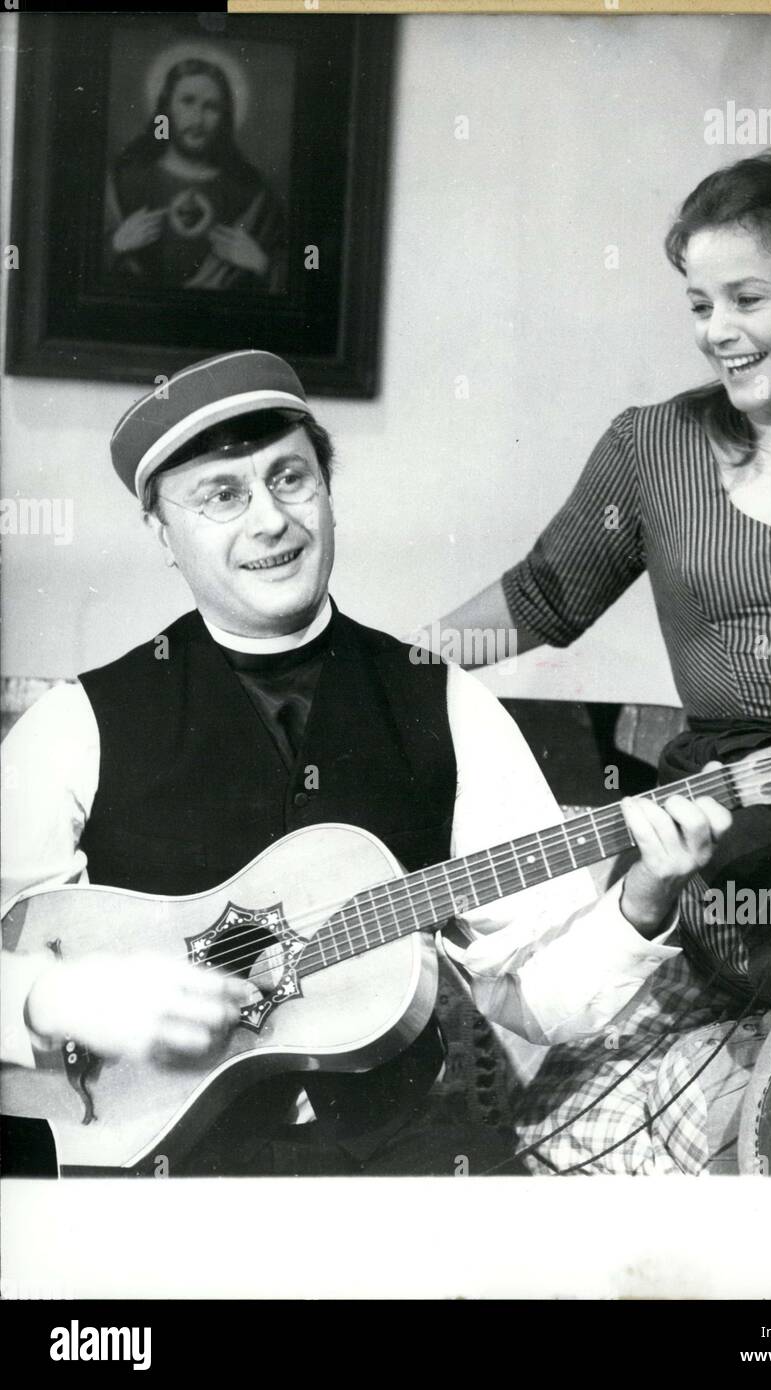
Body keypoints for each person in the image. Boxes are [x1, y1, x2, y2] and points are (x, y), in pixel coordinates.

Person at [0, 349, 733, 1178]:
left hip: (390, 1164)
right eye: (222, 495)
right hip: (131, 1168)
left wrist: (641, 900)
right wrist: (62, 1000)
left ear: (328, 490)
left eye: (290, 478)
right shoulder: (76, 724)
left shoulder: (447, 705)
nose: (270, 521)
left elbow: (532, 998)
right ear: (163, 534)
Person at [438, 151, 771, 1174]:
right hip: (720, 827)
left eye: (746, 297)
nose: (715, 331)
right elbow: (540, 598)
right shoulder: (653, 449)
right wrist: (391, 678)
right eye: (699, 302)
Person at [104, 58, 285, 292]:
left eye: (211, 107)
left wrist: (261, 263)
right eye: (187, 102)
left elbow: (299, 277)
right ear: (167, 107)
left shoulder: (252, 193)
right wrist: (115, 245)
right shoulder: (124, 180)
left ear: (224, 116)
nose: (198, 119)